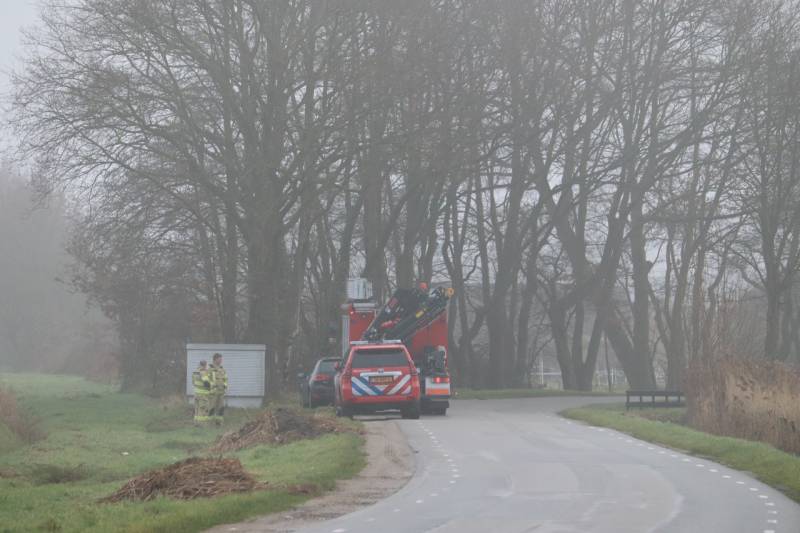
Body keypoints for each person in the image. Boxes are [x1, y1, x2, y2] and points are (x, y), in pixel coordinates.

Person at [209, 353, 228, 425]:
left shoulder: (222, 369)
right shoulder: (210, 368)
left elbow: (225, 379)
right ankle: (211, 423)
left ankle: (219, 423)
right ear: (215, 359)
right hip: (213, 392)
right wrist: (212, 387)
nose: (221, 360)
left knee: (221, 408)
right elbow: (207, 379)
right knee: (212, 407)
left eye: (221, 359)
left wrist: (225, 386)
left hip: (221, 392)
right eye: (219, 359)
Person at [191, 360, 212, 425]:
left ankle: (196, 423)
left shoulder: (195, 372)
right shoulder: (203, 372)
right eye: (206, 365)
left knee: (196, 410)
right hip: (203, 394)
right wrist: (212, 385)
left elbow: (193, 382)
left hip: (196, 393)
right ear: (205, 365)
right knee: (202, 409)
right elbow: (206, 383)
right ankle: (202, 424)